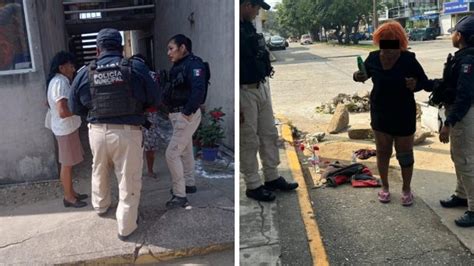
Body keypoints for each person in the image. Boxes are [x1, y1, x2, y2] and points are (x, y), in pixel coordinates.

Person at [69, 28, 159, 241]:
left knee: (99, 169)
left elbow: (74, 106)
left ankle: (101, 205)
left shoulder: (84, 72)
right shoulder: (135, 67)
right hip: (128, 133)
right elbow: (155, 98)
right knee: (128, 178)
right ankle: (126, 227)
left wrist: (95, 114)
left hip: (97, 133)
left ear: (97, 49)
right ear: (121, 48)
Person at [353, 21, 429, 206]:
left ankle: (406, 189)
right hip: (380, 112)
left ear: (399, 41)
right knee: (383, 152)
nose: (387, 48)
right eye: (383, 42)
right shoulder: (372, 58)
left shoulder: (408, 59)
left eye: (391, 42)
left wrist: (415, 84)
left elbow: (424, 82)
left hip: (404, 113)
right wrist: (358, 75)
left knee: (405, 155)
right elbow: (360, 75)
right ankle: (385, 187)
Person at [240, 0, 298, 202]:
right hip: (244, 90)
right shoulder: (236, 30)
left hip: (261, 86)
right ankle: (253, 184)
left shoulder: (248, 27)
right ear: (247, 5)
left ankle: (271, 176)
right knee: (248, 139)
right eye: (256, 8)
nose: (257, 13)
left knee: (269, 133)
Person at [435, 15, 474, 227]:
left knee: (466, 161)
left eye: (453, 32)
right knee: (457, 157)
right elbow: (448, 85)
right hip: (460, 113)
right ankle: (461, 195)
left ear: (460, 35)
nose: (452, 35)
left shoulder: (468, 60)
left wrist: (449, 123)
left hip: (464, 115)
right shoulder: (462, 57)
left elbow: (464, 96)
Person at [162, 34, 205, 209]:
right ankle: (189, 184)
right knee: (185, 150)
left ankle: (180, 195)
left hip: (186, 115)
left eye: (171, 48)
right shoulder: (178, 66)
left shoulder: (194, 64)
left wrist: (186, 113)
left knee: (172, 154)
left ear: (183, 48)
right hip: (177, 114)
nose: (168, 53)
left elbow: (199, 90)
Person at [46, 51, 87, 208]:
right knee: (67, 164)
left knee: (68, 163)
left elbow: (48, 104)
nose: (73, 67)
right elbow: (63, 111)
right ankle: (69, 197)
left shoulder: (57, 81)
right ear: (62, 67)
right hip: (65, 129)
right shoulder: (60, 83)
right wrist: (80, 110)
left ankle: (72, 193)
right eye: (70, 65)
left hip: (65, 129)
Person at [130, 54, 160, 179]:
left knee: (135, 144)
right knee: (149, 144)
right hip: (149, 113)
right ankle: (150, 170)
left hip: (135, 114)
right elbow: (158, 96)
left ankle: (138, 172)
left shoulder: (128, 74)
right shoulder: (152, 75)